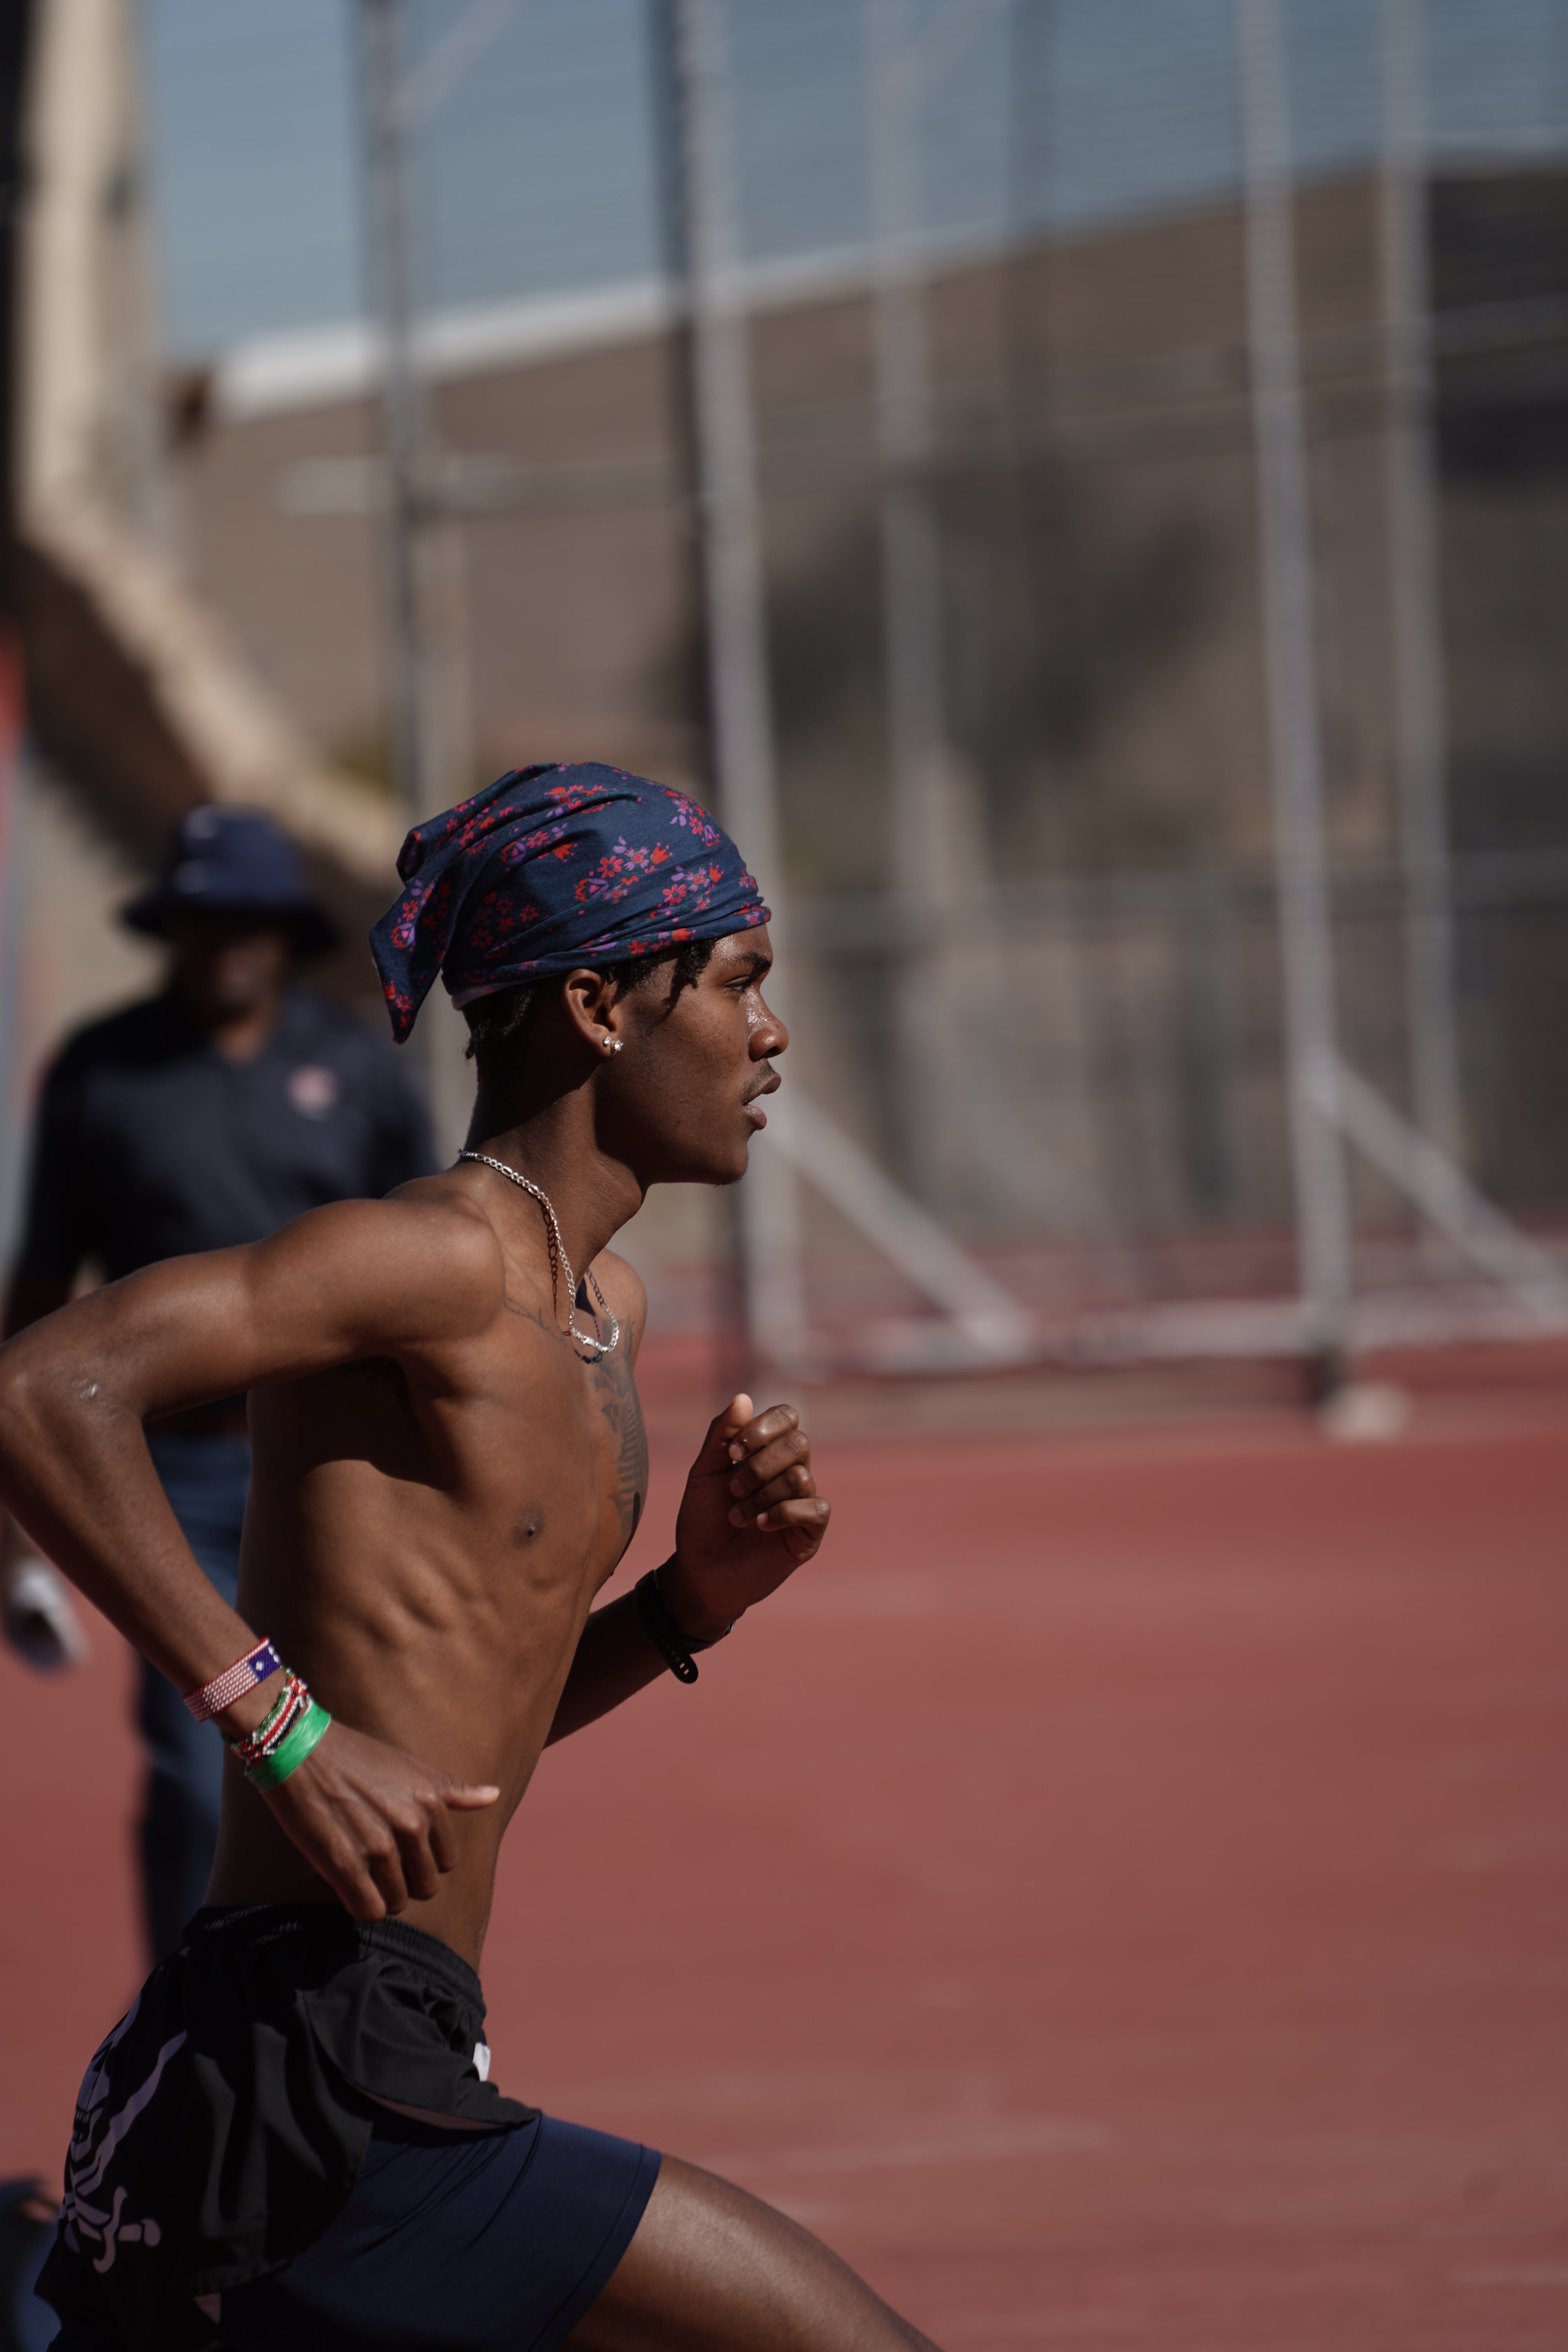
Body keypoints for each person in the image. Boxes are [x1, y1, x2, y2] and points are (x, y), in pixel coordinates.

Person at [0, 760, 941, 2352]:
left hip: (378, 2050)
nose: (771, 1033)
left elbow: (467, 1733)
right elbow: (42, 1388)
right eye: (736, 983)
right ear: (597, 1006)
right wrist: (272, 1717)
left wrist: (685, 1605)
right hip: (317, 2066)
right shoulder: (425, 1259)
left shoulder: (605, 1312)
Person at [0, 804, 435, 1962]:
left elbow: (434, 1266)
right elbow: (40, 1290)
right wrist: (14, 1524)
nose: (222, 941)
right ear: (171, 930)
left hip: (339, 1473)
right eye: (199, 919)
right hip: (172, 1478)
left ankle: (364, 2010)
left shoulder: (358, 1068)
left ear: (284, 930)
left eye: (244, 918)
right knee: (207, 1765)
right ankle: (187, 2013)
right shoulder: (101, 1072)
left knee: (372, 1747)